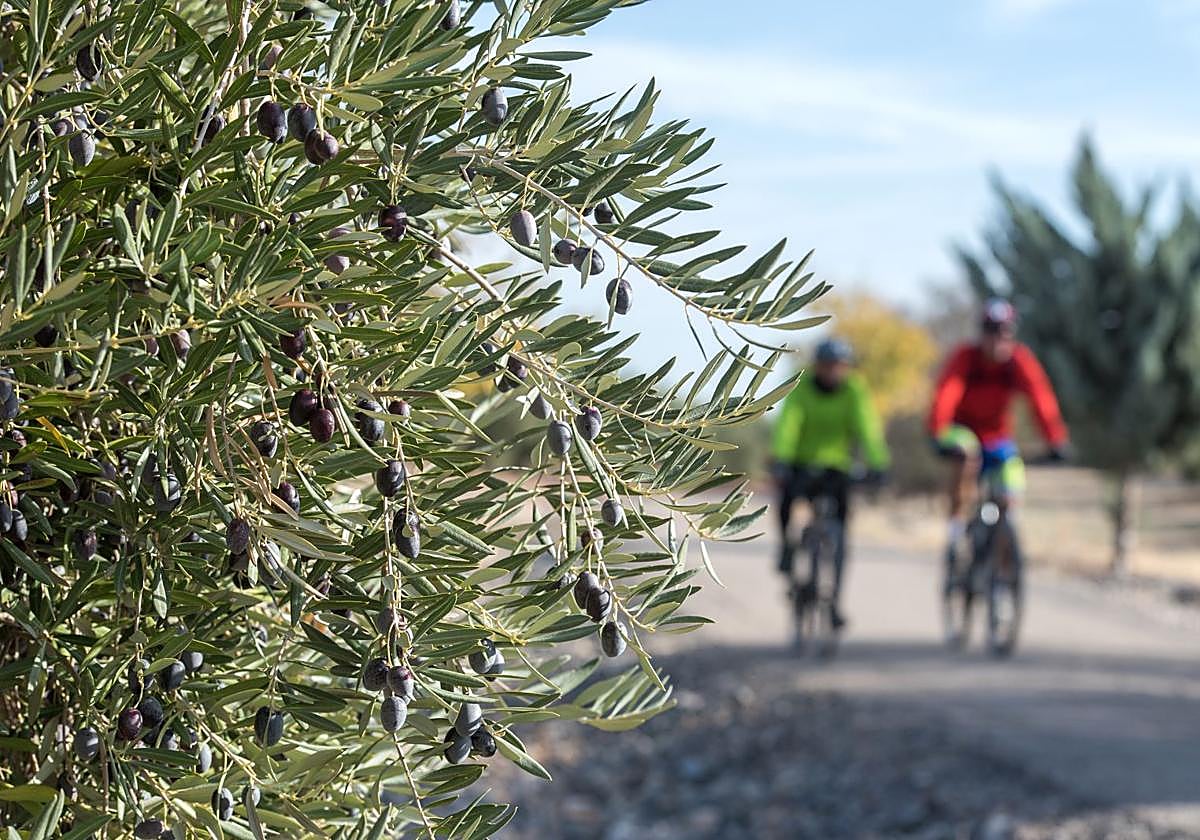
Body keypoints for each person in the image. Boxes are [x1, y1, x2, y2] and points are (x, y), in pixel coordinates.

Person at [927, 298, 1068, 558]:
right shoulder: (966, 358)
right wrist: (938, 432)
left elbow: (1040, 398)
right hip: (963, 430)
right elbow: (946, 394)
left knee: (1011, 485)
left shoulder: (1019, 361)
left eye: (1005, 332)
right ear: (982, 333)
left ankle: (1006, 555)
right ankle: (956, 534)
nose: (998, 339)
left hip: (998, 436)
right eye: (991, 331)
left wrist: (1055, 439)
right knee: (966, 454)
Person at [770, 338, 890, 629]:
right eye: (828, 365)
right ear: (818, 366)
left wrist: (878, 463)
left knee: (841, 534)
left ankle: (834, 601)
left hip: (838, 467)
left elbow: (867, 428)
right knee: (786, 500)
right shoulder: (801, 388)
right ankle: (786, 546)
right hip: (801, 461)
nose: (833, 371)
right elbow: (789, 423)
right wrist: (781, 458)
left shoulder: (854, 390)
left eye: (839, 366)